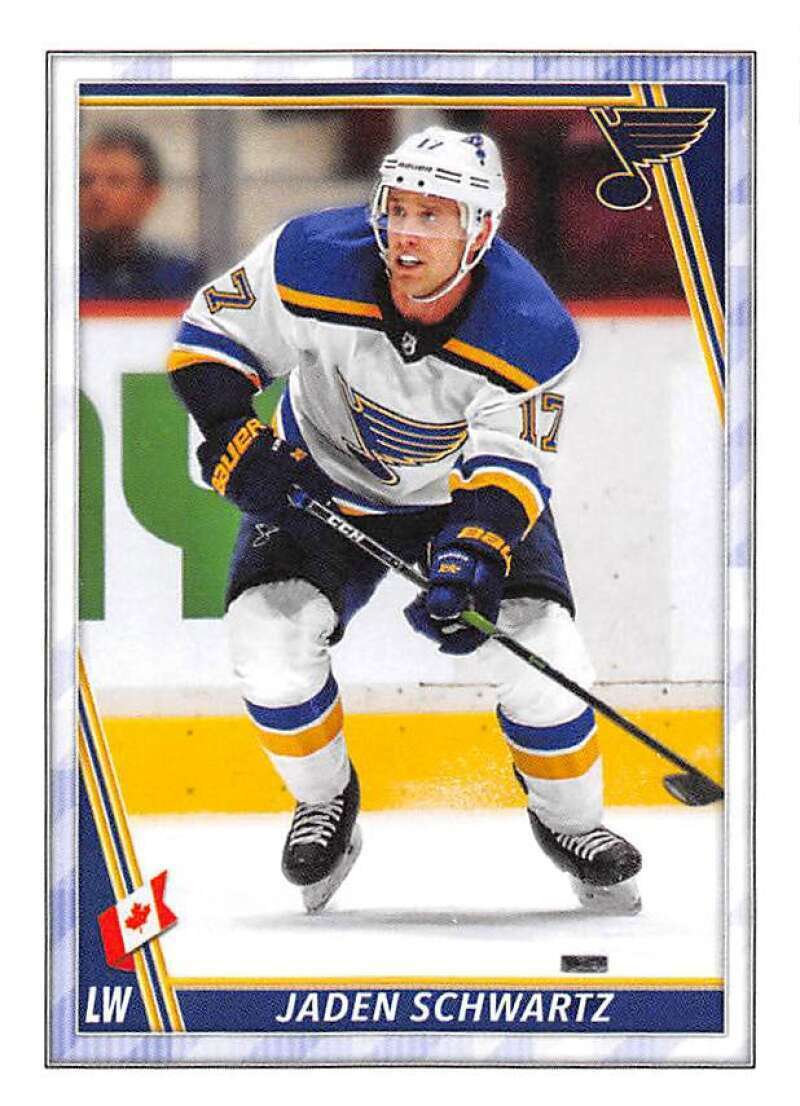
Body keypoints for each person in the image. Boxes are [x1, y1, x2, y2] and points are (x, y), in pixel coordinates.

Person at [168, 127, 642, 915]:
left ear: (479, 230)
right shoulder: (308, 256)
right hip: (318, 479)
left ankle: (573, 824)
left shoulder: (532, 328)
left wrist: (473, 554)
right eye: (398, 209)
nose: (406, 232)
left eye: (433, 215)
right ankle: (325, 802)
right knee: (267, 643)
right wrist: (230, 432)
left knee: (543, 653)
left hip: (458, 498)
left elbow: (510, 466)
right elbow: (210, 340)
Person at [80, 127, 204, 300]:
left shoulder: (178, 279)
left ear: (150, 195)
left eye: (116, 181)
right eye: (86, 181)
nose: (97, 192)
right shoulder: (54, 273)